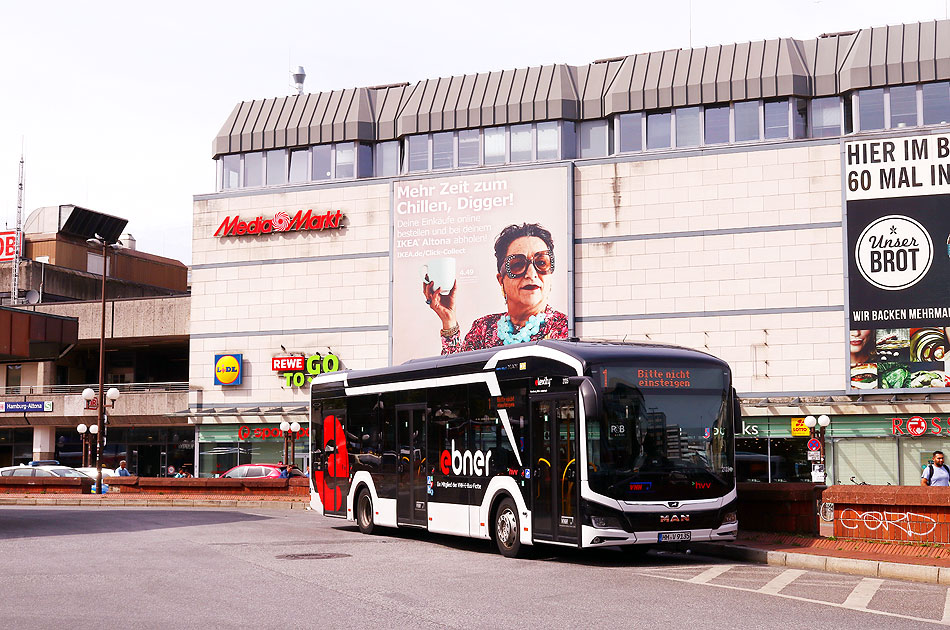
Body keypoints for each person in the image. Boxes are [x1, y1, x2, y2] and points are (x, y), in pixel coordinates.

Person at [423, 223, 568, 354]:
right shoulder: (483, 329)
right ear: (501, 280)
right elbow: (457, 376)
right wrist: (449, 320)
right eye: (518, 264)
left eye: (541, 262)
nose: (531, 274)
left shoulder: (566, 329)